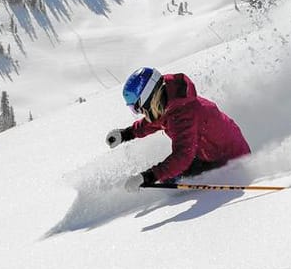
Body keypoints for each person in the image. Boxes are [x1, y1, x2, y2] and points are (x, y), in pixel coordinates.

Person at [105, 66, 250, 187]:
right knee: (169, 179)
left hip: (230, 160)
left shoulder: (183, 114)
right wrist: (126, 134)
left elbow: (182, 156)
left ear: (148, 99)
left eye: (136, 108)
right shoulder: (169, 100)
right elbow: (155, 121)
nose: (138, 112)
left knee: (171, 180)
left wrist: (148, 176)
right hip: (205, 153)